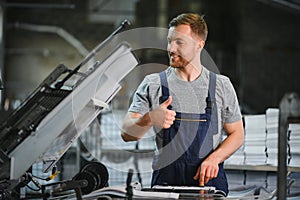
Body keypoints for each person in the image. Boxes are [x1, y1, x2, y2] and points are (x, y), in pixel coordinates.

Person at [121, 13, 244, 196]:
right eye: (169, 41)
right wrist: (149, 119)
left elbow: (237, 133)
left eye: (179, 42)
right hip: (165, 186)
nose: (170, 48)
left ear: (199, 45)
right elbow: (126, 134)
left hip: (208, 186)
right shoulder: (153, 84)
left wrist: (214, 159)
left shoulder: (220, 85)